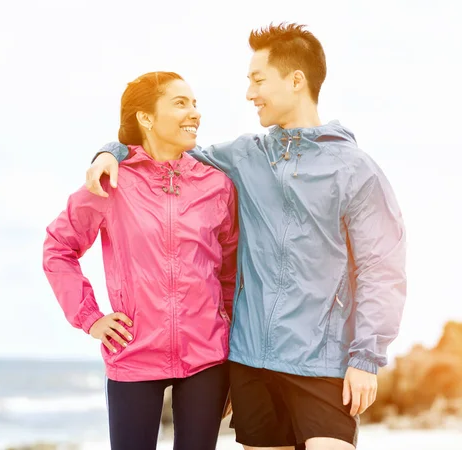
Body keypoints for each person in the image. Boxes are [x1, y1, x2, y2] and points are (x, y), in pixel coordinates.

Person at [85, 23, 406, 450]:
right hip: (251, 363)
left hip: (322, 363)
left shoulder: (355, 170)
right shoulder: (244, 155)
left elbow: (382, 268)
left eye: (258, 80)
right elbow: (165, 149)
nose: (249, 93)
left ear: (296, 81)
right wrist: (111, 149)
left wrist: (366, 357)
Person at [43, 71, 239, 450]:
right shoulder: (111, 181)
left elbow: (228, 271)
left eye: (195, 103)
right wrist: (91, 318)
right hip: (133, 351)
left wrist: (231, 343)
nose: (194, 113)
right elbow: (57, 248)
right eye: (180, 103)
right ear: (146, 118)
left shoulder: (216, 185)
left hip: (208, 357)